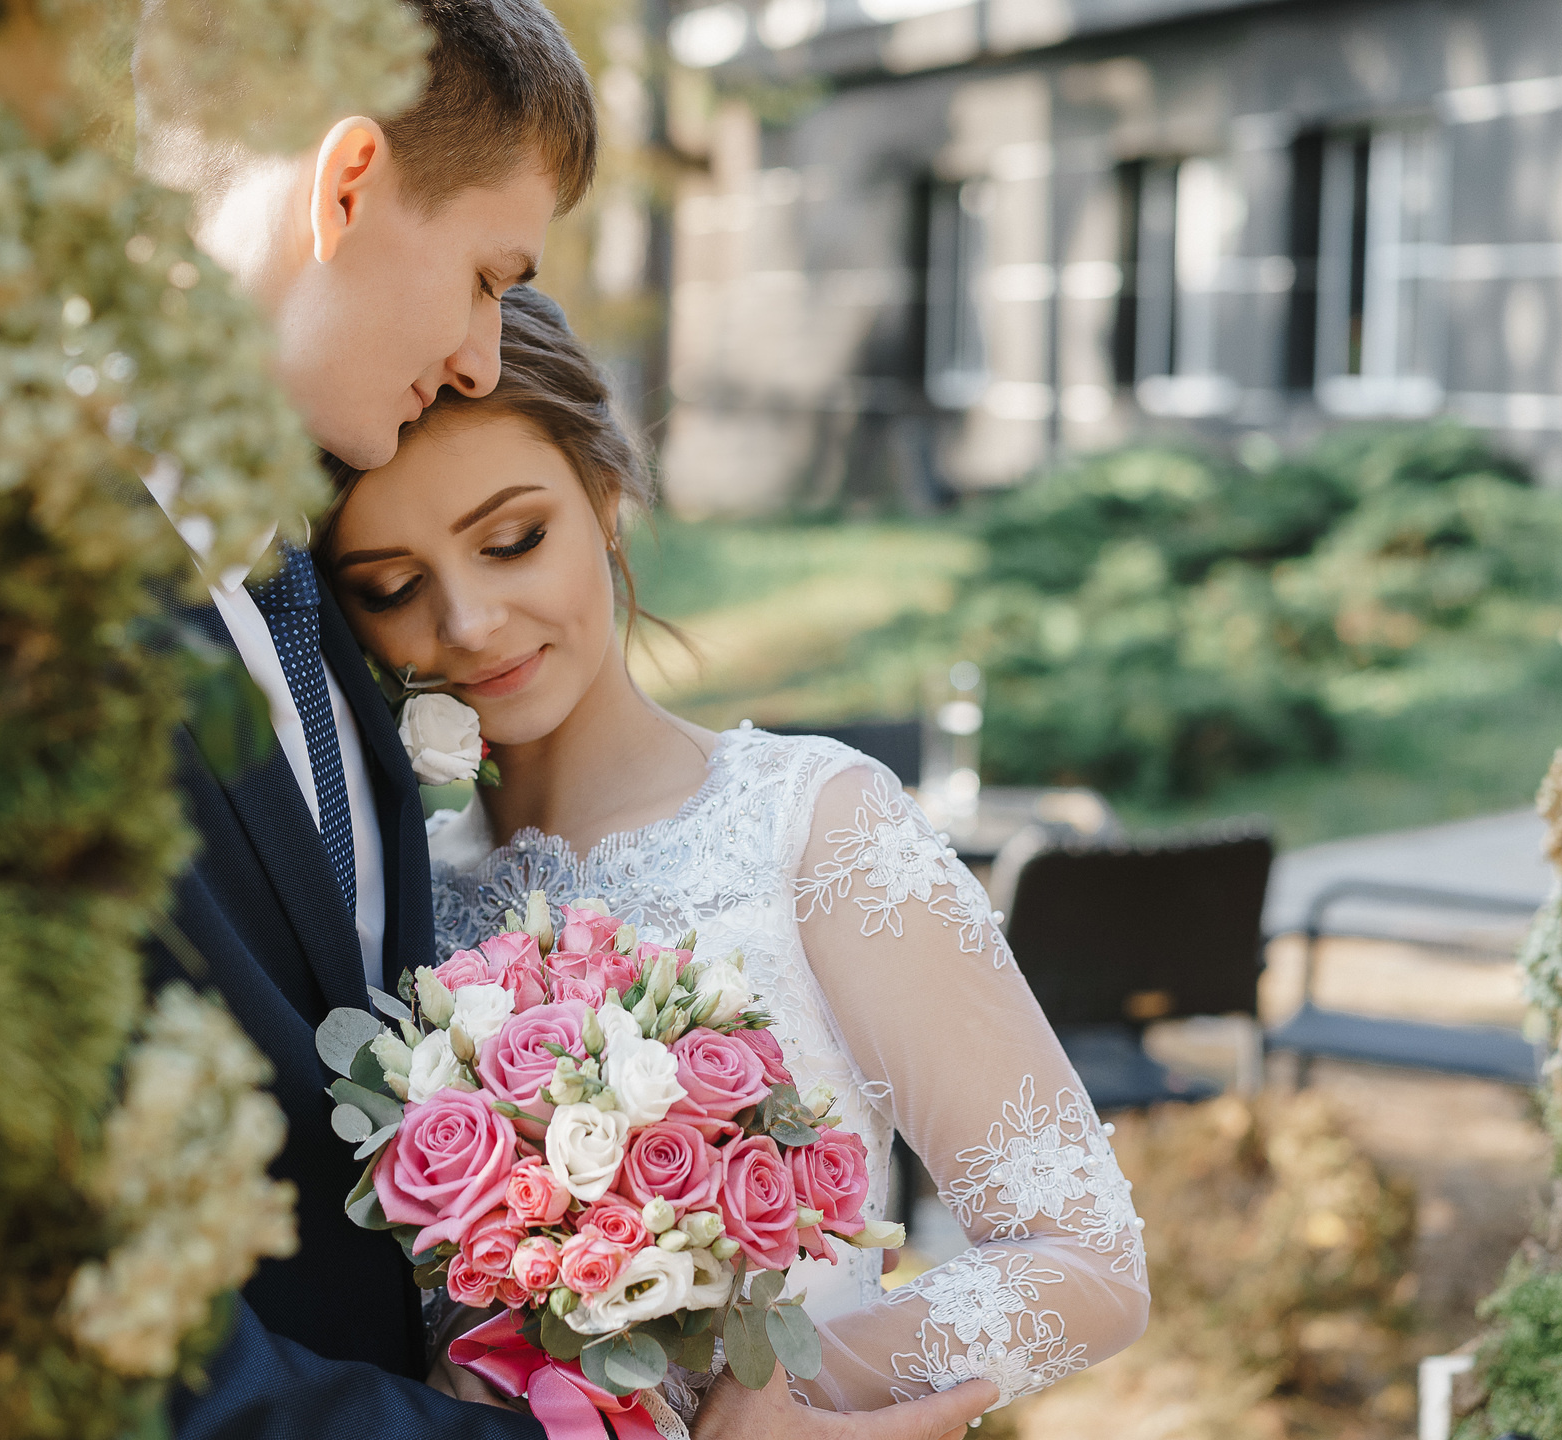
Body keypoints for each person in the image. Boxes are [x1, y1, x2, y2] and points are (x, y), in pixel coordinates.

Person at [135, 1, 1009, 1437]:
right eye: (486, 276)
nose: (484, 354)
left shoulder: (296, 595)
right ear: (346, 187)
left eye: (515, 538)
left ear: (605, 500)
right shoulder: (34, 607)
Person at [310, 286, 1152, 1428]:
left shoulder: (815, 827)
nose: (467, 622)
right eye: (393, 588)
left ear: (606, 497)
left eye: (513, 541)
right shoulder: (388, 894)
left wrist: (778, 1393)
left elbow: (1088, 1262)